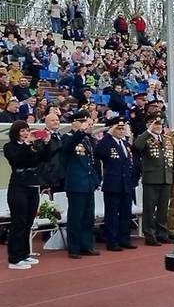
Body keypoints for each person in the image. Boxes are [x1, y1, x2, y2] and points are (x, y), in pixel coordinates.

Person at [3, 120, 52, 269]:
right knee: (19, 222)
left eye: (27, 130)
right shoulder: (9, 147)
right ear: (16, 132)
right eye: (22, 131)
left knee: (28, 222)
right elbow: (17, 160)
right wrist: (27, 145)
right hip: (18, 187)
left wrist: (46, 143)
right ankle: (14, 258)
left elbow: (44, 158)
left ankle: (24, 254)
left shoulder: (32, 146)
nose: (25, 133)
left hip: (32, 186)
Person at [61, 109, 101, 259]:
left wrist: (96, 180)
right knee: (75, 217)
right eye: (83, 122)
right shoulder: (68, 137)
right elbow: (67, 148)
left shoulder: (87, 139)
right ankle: (74, 248)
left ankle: (87, 245)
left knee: (88, 217)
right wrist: (81, 132)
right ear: (74, 123)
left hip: (88, 183)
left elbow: (91, 162)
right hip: (76, 184)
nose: (86, 125)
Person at [95, 116, 137, 251]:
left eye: (122, 128)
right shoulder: (107, 142)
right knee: (112, 215)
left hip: (126, 184)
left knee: (126, 214)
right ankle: (112, 241)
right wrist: (108, 134)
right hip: (113, 184)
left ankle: (124, 239)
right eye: (118, 128)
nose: (121, 131)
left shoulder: (124, 144)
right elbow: (99, 152)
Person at [133, 112, 174, 245]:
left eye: (159, 123)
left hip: (166, 178)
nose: (158, 126)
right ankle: (149, 235)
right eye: (155, 123)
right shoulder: (144, 138)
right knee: (149, 208)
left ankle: (162, 233)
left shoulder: (166, 139)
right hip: (151, 179)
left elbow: (171, 160)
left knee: (163, 208)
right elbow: (137, 146)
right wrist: (148, 131)